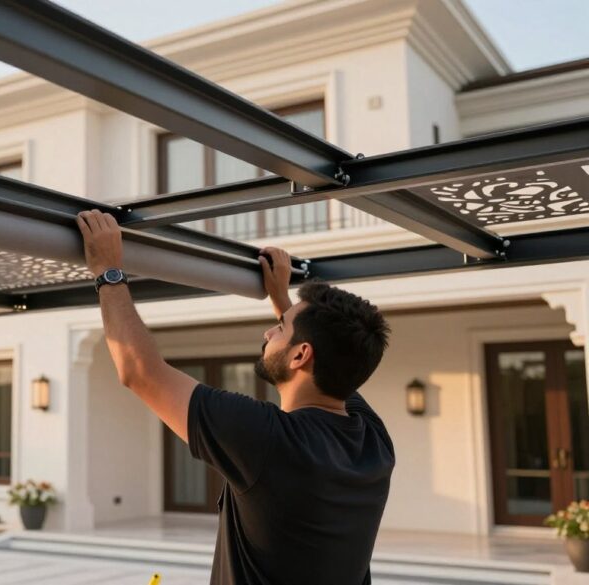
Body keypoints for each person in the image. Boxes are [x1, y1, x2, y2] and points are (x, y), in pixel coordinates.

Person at [76, 210, 395, 585]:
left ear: (300, 355)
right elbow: (333, 361)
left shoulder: (269, 440)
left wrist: (108, 270)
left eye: (279, 329)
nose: (267, 333)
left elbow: (139, 371)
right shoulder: (373, 440)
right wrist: (281, 299)